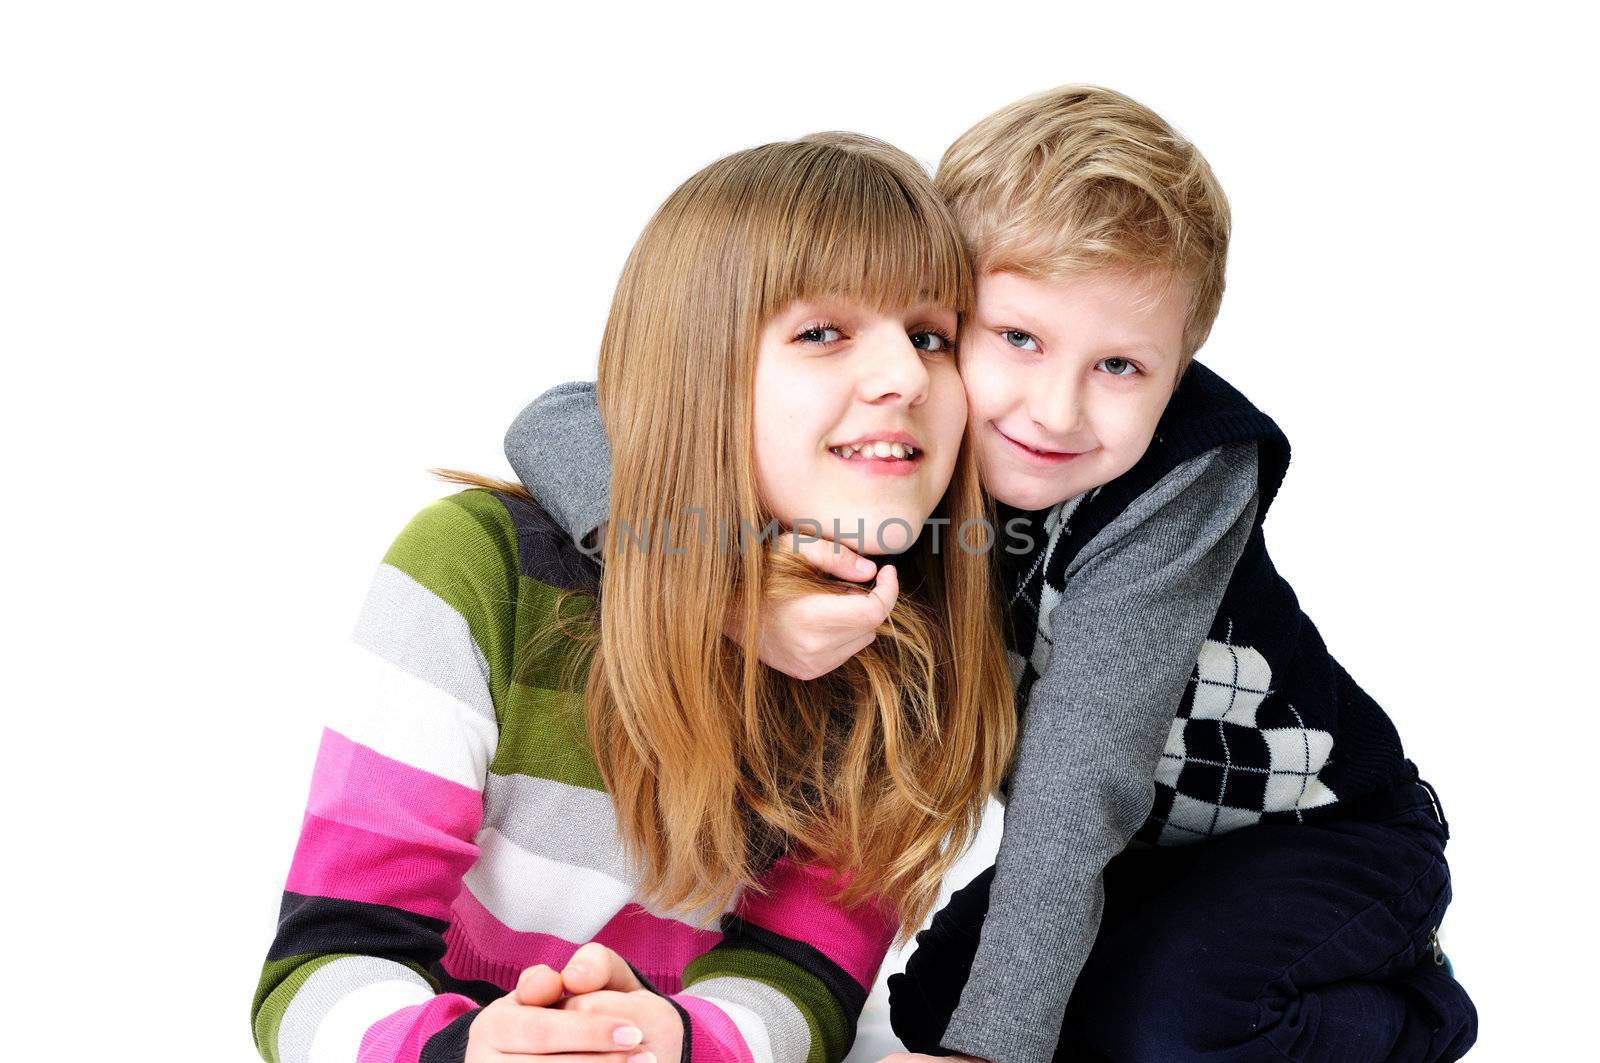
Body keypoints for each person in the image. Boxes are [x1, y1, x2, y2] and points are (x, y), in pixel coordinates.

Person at [505, 87, 1477, 1063]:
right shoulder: (906, 433)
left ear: (1180, 369)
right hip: (1138, 858)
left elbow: (1080, 780)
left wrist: (989, 1056)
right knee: (927, 1008)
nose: (1054, 411)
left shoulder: (1179, 482)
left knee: (1153, 1034)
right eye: (1016, 338)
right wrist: (728, 586)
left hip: (1320, 832)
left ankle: (1412, 1015)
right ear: (948, 312)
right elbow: (553, 422)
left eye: (1121, 367)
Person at [250, 131, 1019, 1063]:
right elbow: (324, 961)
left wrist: (680, 1042)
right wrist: (458, 1052)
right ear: (693, 370)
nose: (904, 376)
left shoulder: (916, 647)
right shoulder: (478, 568)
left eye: (932, 336)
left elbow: (801, 975)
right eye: (821, 333)